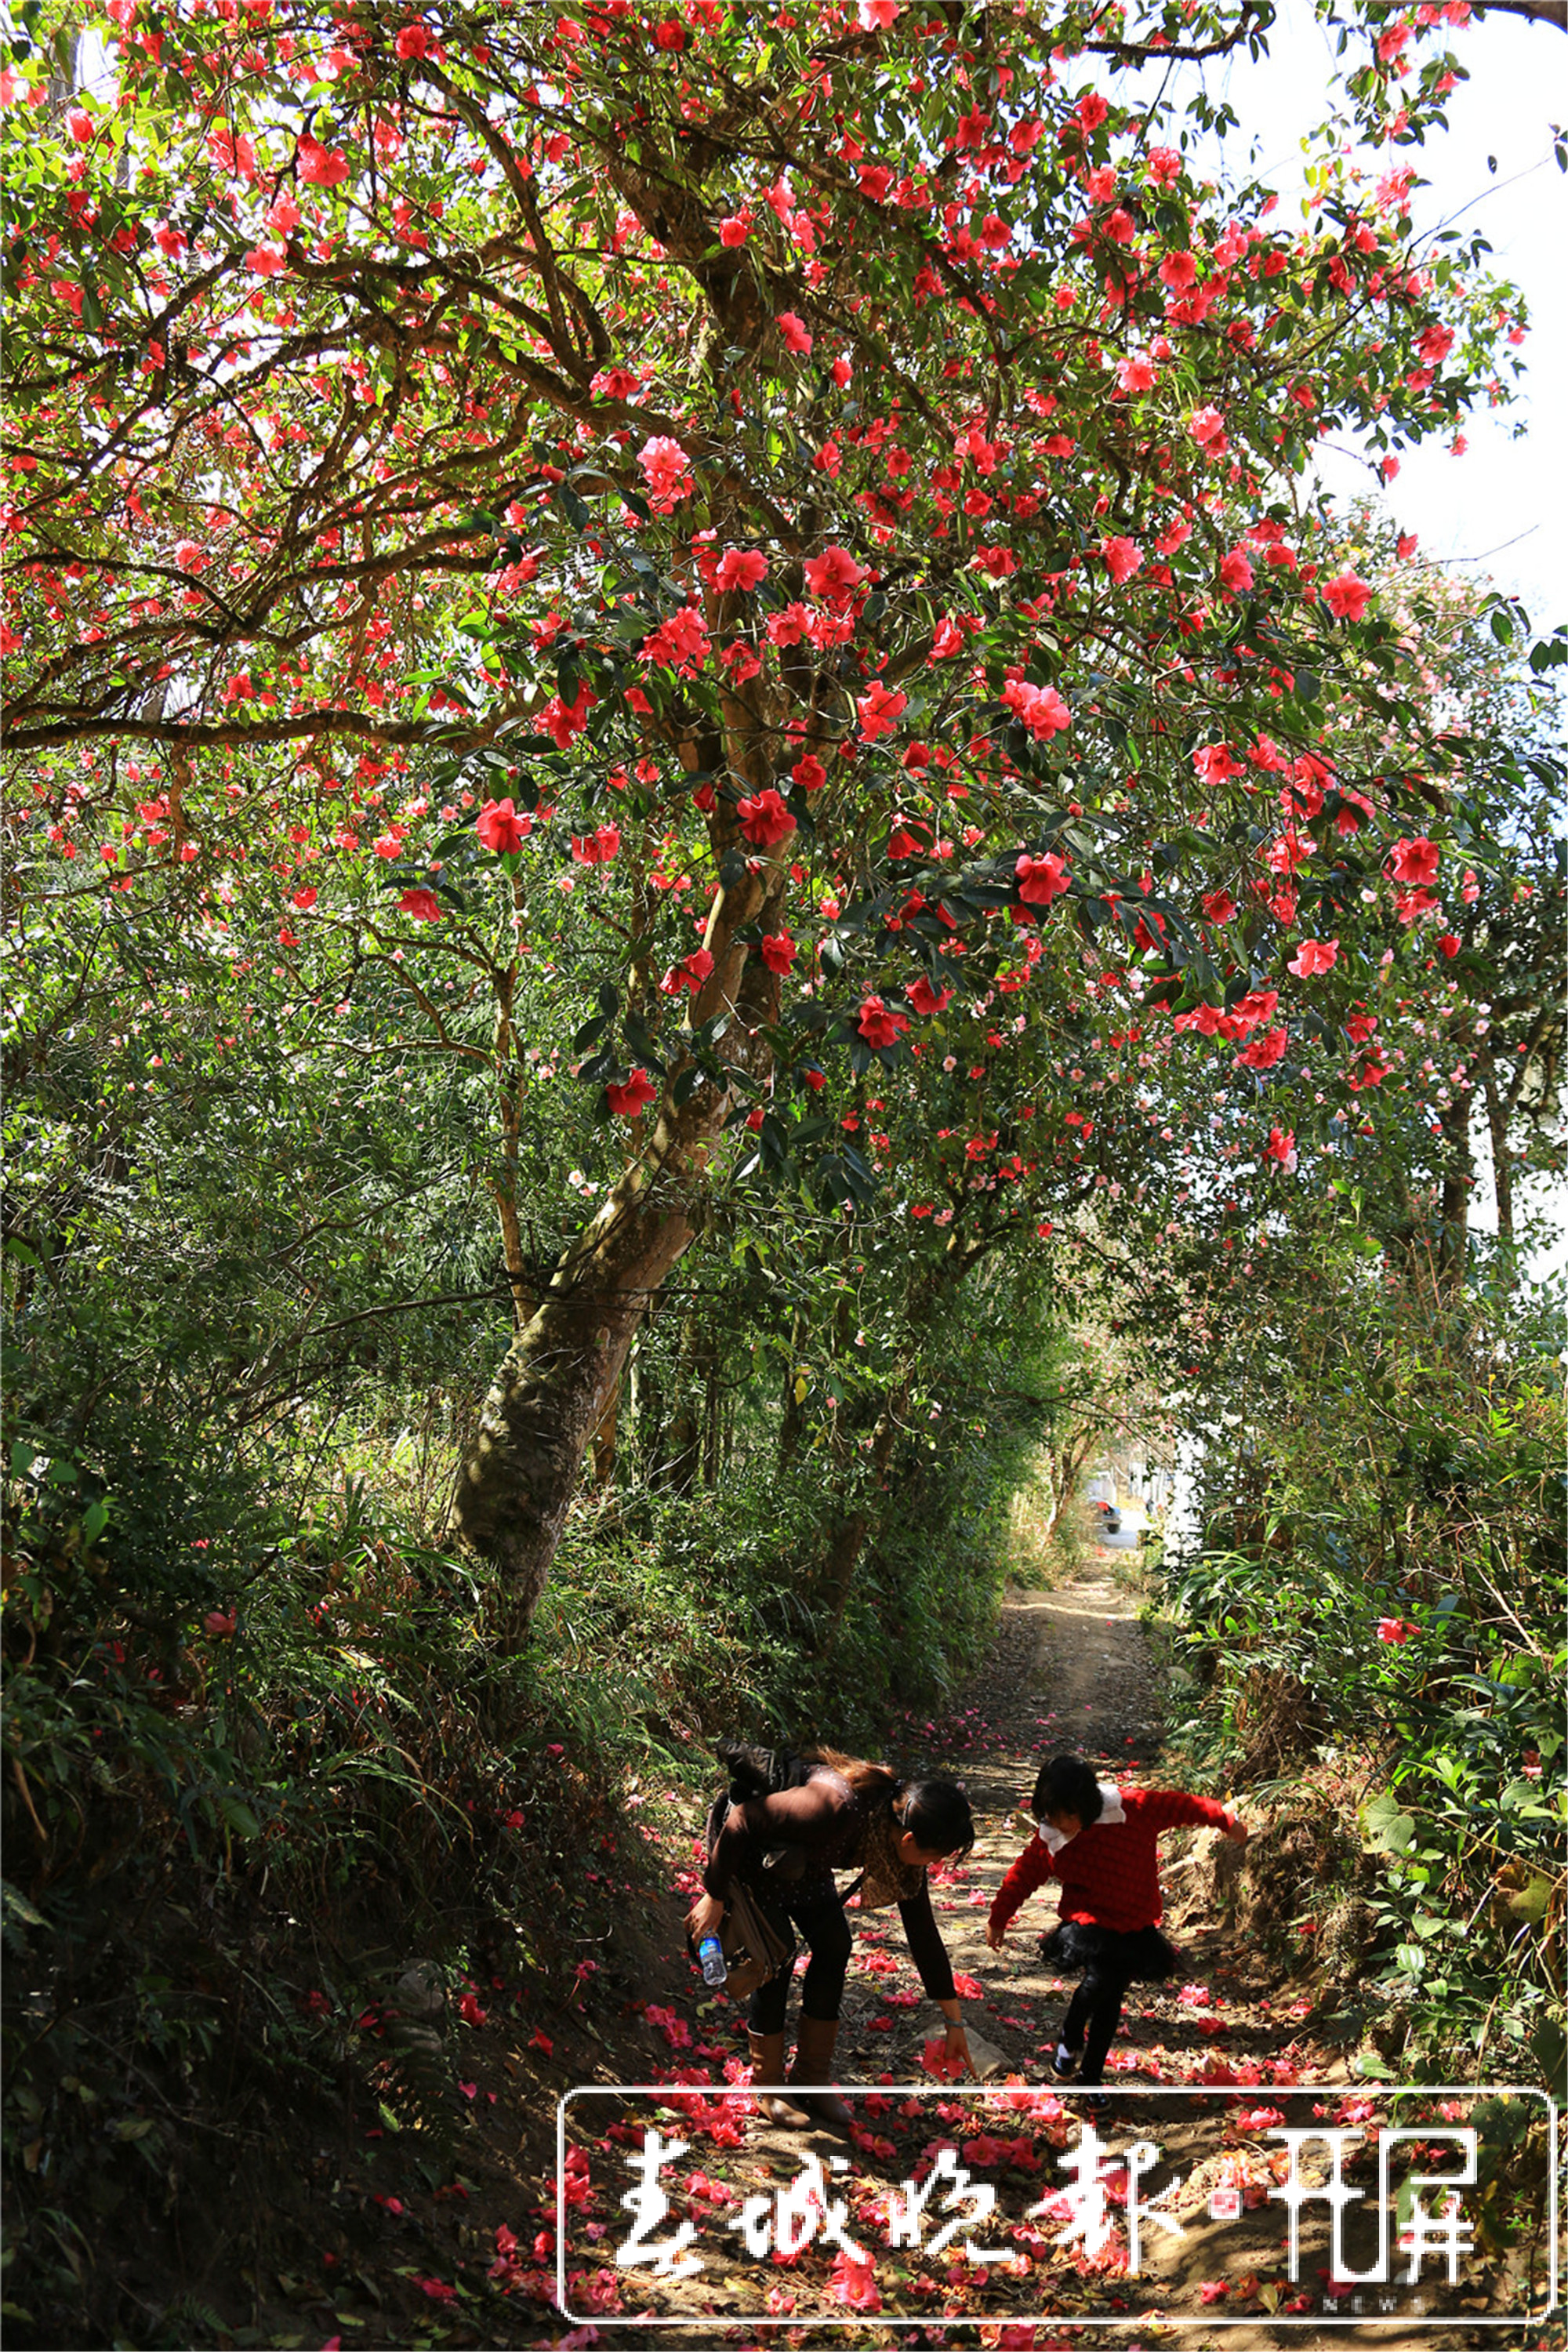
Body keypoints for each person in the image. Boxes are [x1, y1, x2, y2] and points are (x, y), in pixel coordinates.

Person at [687, 1745, 975, 2126]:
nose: (932, 1867)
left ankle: (811, 2077)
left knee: (835, 1944)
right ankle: (768, 2084)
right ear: (909, 1841)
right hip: (751, 1855)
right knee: (778, 1957)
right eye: (934, 1858)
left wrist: (954, 2021)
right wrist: (715, 1895)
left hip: (804, 1867)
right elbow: (742, 1820)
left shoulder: (894, 1839)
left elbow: (922, 1932)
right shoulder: (833, 1808)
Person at [985, 1752, 1247, 2089]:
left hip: (1135, 1924)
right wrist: (998, 1917)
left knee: (1110, 2004)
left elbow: (1183, 1806)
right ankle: (1070, 2034)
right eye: (1052, 1815)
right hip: (1091, 1925)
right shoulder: (1052, 1838)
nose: (1062, 1822)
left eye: (1068, 1814)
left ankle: (1090, 2079)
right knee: (1097, 1983)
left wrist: (1224, 1820)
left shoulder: (1133, 1809)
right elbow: (1022, 1876)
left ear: (1087, 1803)